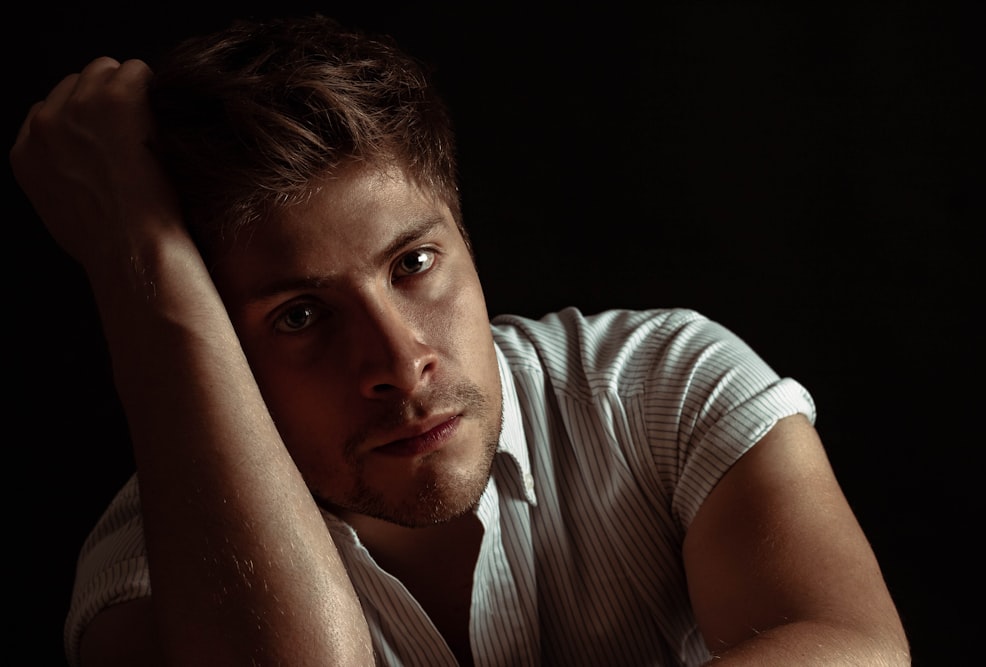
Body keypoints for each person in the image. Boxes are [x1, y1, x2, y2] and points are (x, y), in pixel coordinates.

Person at [11, 13, 910, 667]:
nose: (400, 362)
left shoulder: (659, 387)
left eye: (413, 263)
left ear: (468, 241)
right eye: (300, 315)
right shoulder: (154, 571)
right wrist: (141, 262)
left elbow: (859, 649)